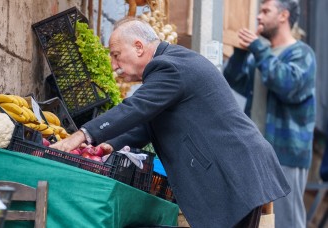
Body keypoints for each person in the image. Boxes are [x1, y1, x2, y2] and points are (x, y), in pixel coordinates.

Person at [50, 17, 290, 227]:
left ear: (138, 47)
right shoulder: (171, 62)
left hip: (233, 172)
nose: (114, 66)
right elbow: (147, 122)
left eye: (116, 55)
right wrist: (111, 144)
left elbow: (135, 108)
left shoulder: (169, 67)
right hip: (238, 168)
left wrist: (81, 135)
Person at [223, 0, 317, 227]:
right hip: (256, 153)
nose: (258, 16)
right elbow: (233, 81)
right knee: (259, 221)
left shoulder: (302, 53)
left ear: (283, 15)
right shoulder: (261, 55)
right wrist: (240, 53)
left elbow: (287, 85)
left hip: (285, 155)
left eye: (265, 11)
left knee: (286, 222)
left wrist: (257, 47)